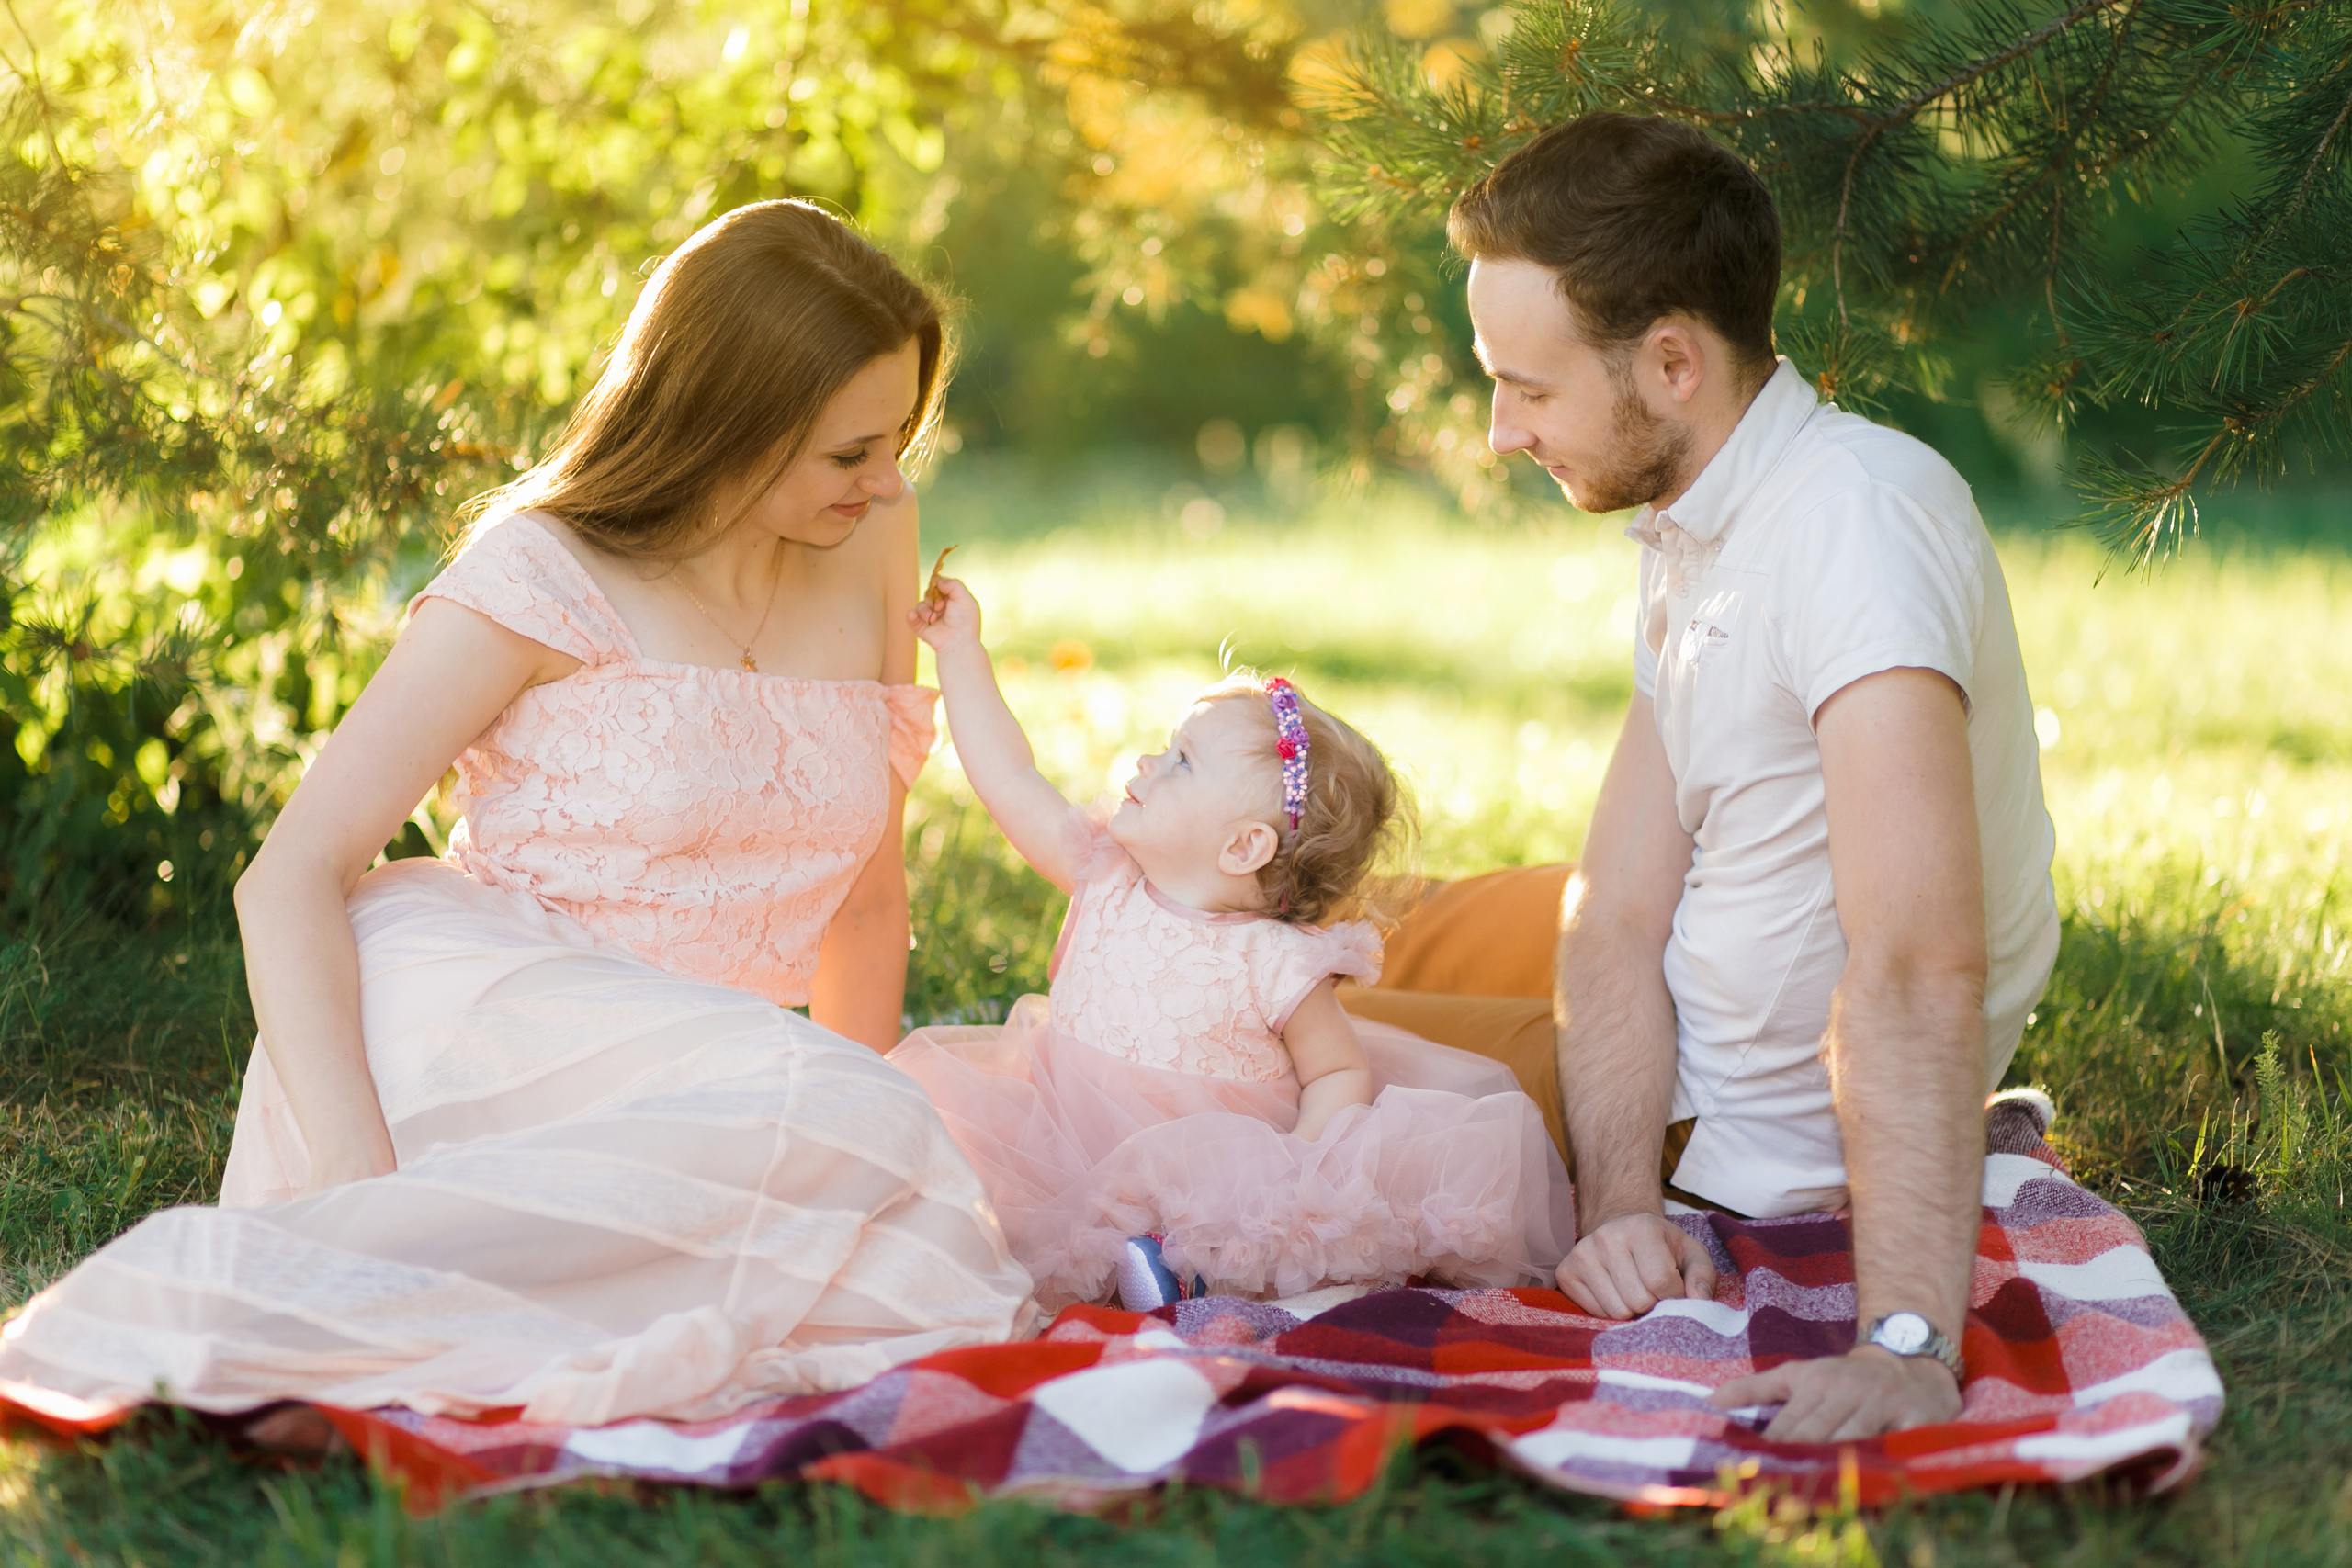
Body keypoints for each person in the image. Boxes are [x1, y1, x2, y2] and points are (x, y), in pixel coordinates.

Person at [0, 201, 1035, 1432]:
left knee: (904, 1217)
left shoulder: (871, 532)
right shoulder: (537, 572)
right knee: (864, 1149)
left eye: (899, 438)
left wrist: (836, 1154)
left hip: (705, 1064)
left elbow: (867, 893)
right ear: (729, 422)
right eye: (849, 451)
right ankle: (326, 1289)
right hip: (482, 1005)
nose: (884, 483)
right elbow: (287, 875)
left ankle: (389, 1343)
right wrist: (355, 1183)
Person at [1409, 112, 2061, 1443]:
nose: (1497, 431)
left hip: (1736, 1128)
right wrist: (1614, 1212)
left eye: (1527, 387)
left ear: (1670, 361)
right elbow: (1615, 907)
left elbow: (1915, 961)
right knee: (1330, 914)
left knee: (1226, 1027)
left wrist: (1905, 1343)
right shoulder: (1705, 515)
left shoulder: (1854, 531)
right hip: (1644, 1059)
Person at [889, 576, 1572, 1311]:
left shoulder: (1273, 959)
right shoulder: (1106, 875)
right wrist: (961, 654)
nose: (1146, 763)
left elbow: (1337, 1068)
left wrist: (1302, 1175)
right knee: (954, 1164)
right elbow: (1009, 776)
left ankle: (1191, 1273)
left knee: (1225, 1231)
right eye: (1165, 748)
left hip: (1216, 1183)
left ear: (1245, 846)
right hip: (1067, 1145)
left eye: (1181, 761)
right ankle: (1100, 1265)